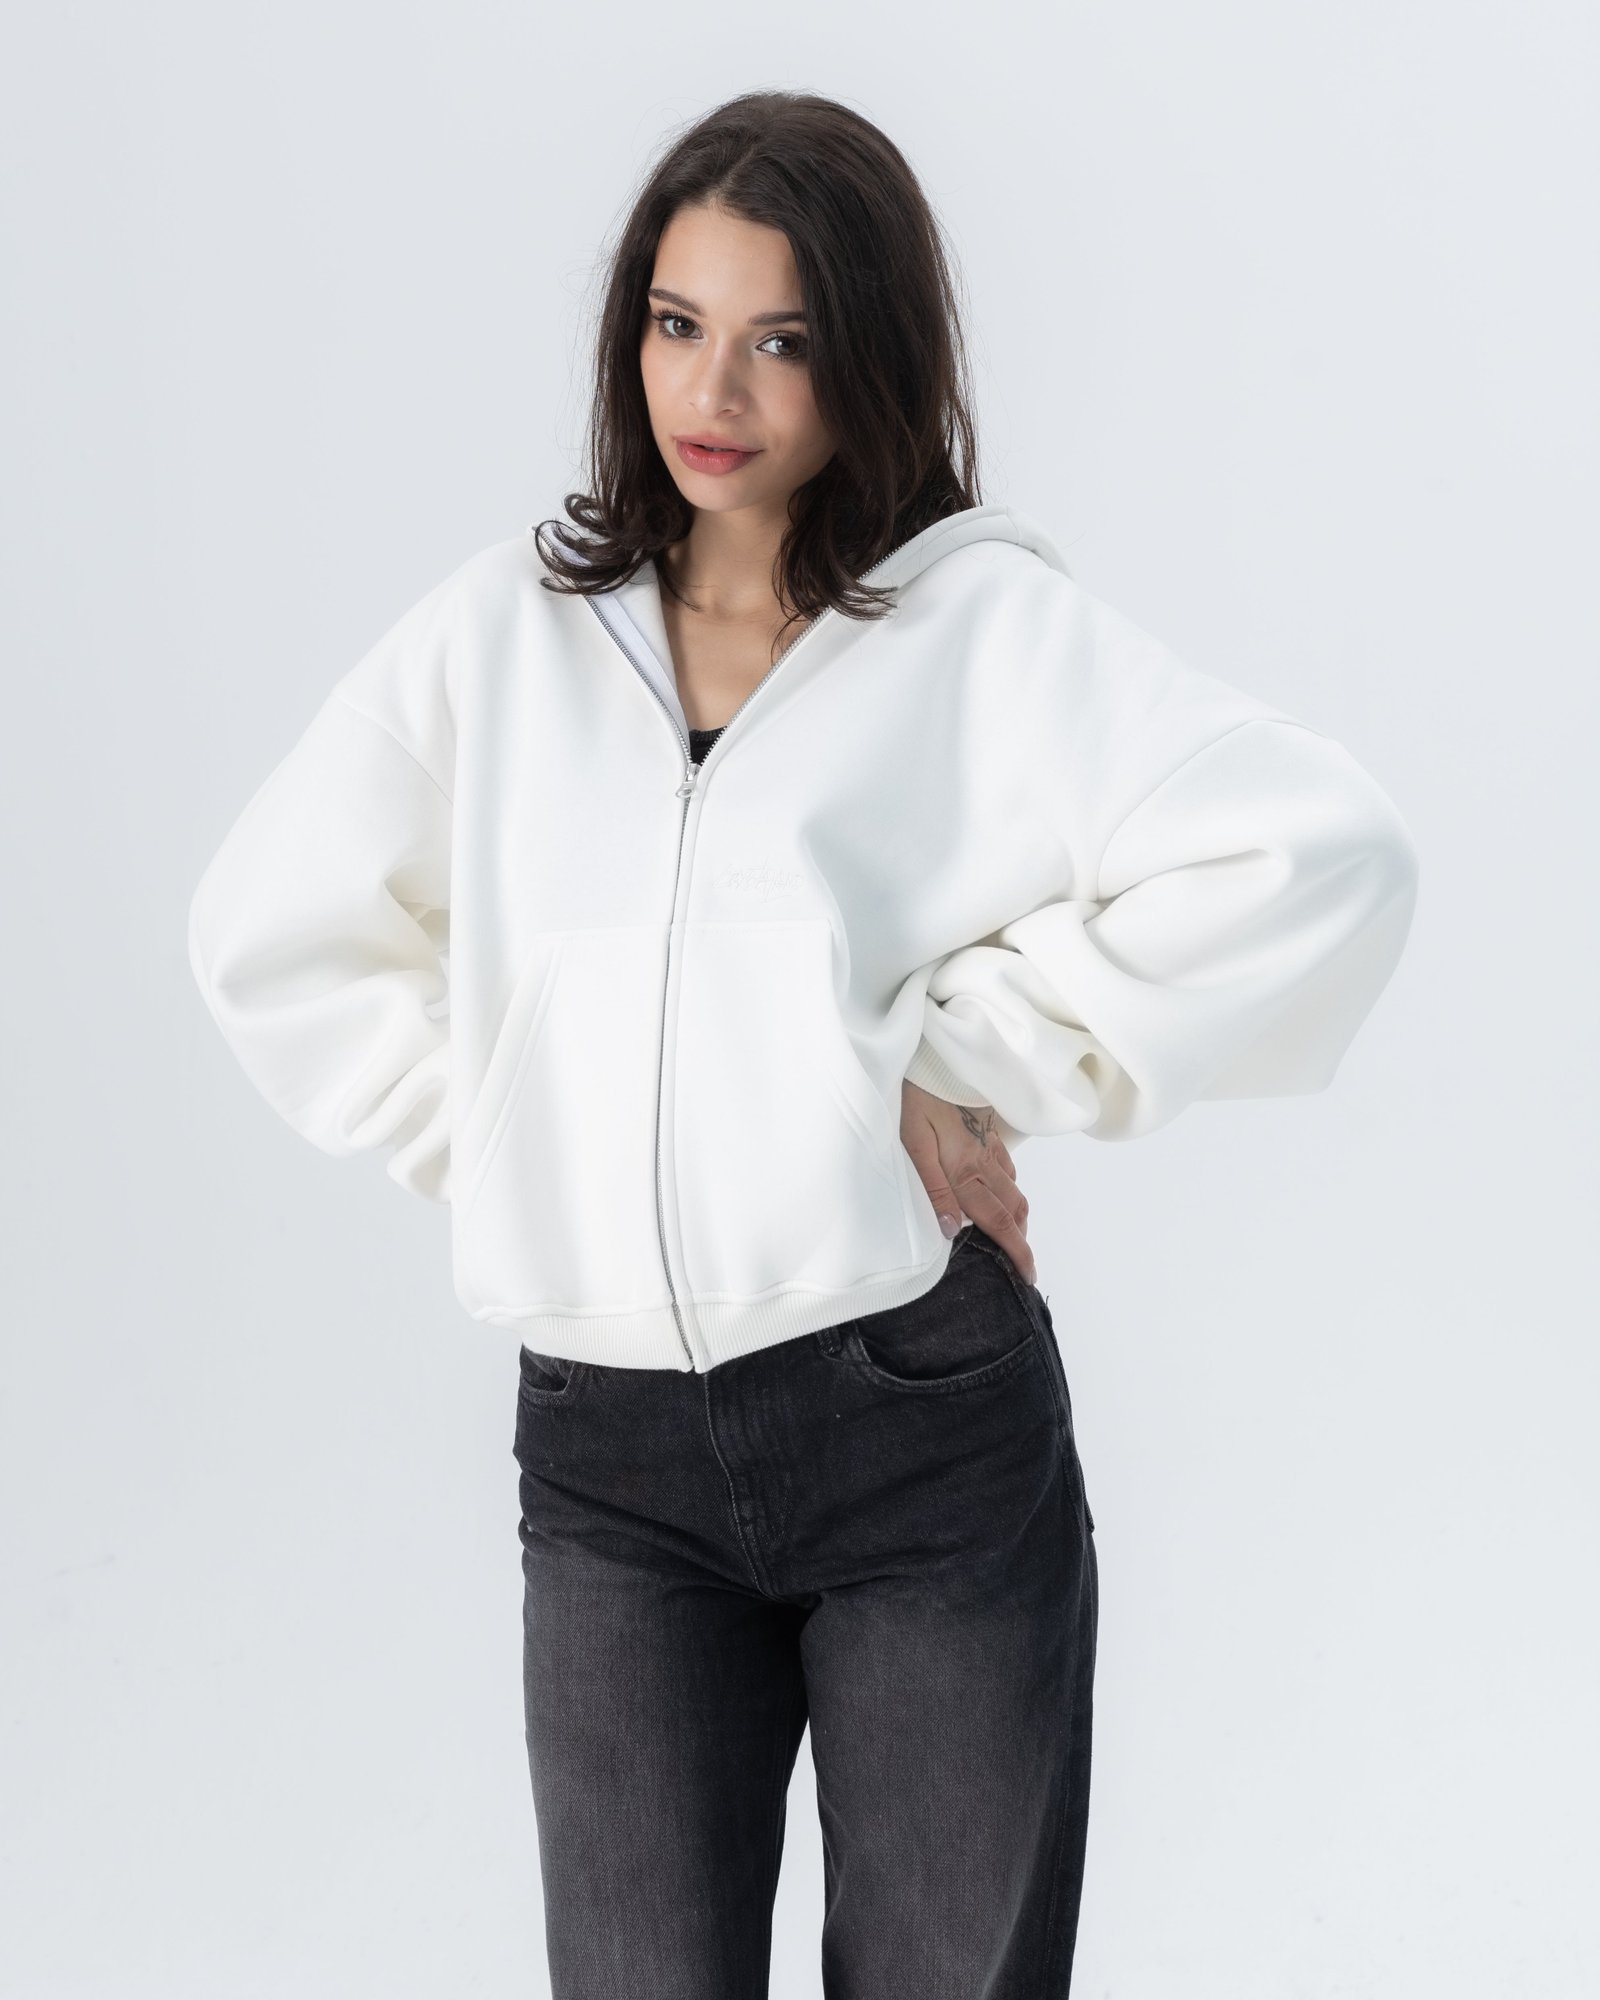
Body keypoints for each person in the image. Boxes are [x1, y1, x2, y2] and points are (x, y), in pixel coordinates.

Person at [187, 89, 1420, 2000]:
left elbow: (1323, 853)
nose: (718, 390)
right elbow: (267, 927)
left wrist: (970, 1055)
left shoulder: (979, 632)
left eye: (783, 339)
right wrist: (516, 1131)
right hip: (610, 1461)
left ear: (873, 355)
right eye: (679, 324)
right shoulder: (507, 633)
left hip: (911, 1410)